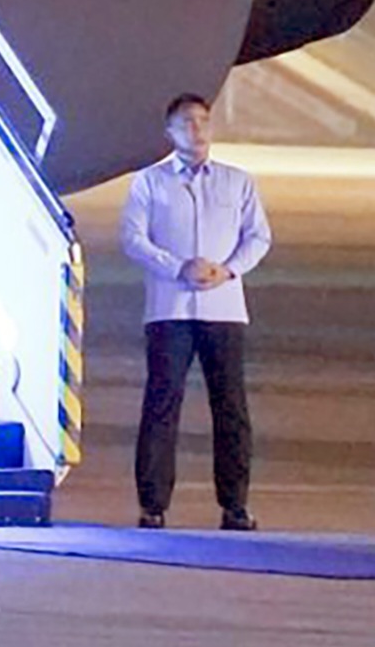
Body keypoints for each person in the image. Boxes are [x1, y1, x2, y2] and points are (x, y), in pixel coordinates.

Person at [118, 92, 271, 531]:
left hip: (223, 306)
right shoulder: (149, 182)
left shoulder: (236, 181)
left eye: (203, 120)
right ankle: (153, 503)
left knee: (231, 408)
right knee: (163, 404)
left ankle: (235, 503)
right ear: (169, 132)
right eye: (186, 122)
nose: (197, 129)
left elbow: (258, 237)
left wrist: (228, 270)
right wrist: (177, 266)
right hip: (171, 306)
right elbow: (134, 238)